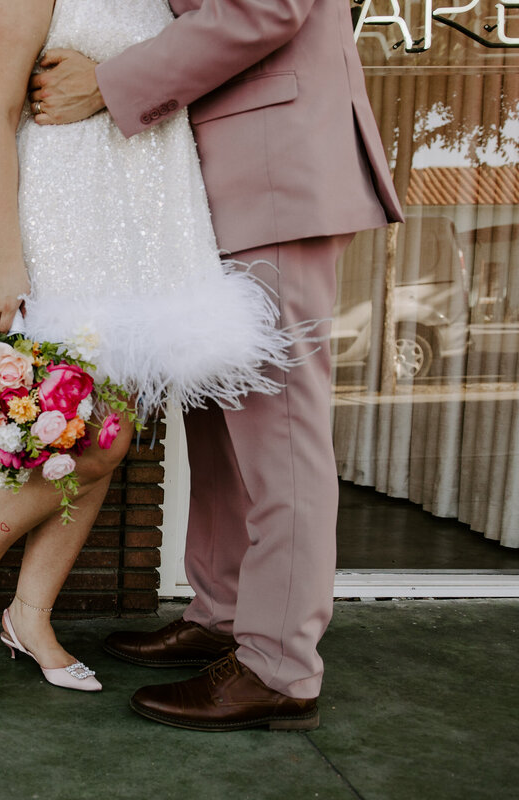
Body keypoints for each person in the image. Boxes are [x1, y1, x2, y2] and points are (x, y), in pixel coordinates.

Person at [27, 0, 403, 727]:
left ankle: (280, 668)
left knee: (279, 437)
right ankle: (224, 613)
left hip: (273, 173)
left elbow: (267, 8)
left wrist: (108, 83)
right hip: (219, 186)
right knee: (221, 429)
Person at [0, 0, 301, 694]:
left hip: (130, 243)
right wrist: (5, 259)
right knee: (101, 437)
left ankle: (30, 615)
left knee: (94, 435)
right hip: (55, 241)